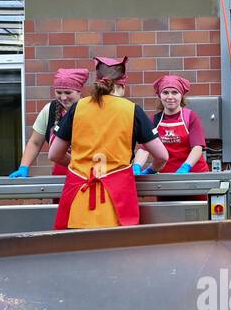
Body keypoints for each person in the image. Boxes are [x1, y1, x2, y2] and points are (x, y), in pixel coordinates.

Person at [46, 56, 169, 229]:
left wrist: (77, 164)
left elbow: (54, 154)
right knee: (115, 252)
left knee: (77, 252)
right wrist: (150, 169)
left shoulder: (78, 107)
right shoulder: (132, 110)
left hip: (78, 199)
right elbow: (162, 156)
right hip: (117, 200)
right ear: (122, 85)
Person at [8, 67, 88, 178]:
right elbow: (35, 142)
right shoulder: (49, 110)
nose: (63, 97)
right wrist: (24, 167)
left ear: (79, 91)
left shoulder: (90, 110)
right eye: (59, 92)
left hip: (86, 176)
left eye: (68, 92)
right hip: (60, 178)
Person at [132, 74, 210, 176]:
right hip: (166, 177)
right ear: (160, 96)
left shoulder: (190, 117)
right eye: (165, 93)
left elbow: (197, 148)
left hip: (193, 175)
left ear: (181, 95)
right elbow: (144, 149)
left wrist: (185, 167)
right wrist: (136, 166)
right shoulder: (154, 120)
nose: (170, 97)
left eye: (174, 92)